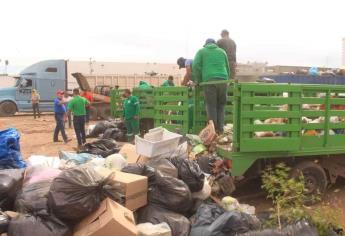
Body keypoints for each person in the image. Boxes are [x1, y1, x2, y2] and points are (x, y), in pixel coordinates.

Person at [193, 38, 230, 133]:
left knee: (211, 106)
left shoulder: (201, 51)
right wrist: (227, 80)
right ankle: (220, 130)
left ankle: (213, 132)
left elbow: (195, 66)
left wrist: (199, 80)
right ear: (215, 44)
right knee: (221, 106)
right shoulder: (222, 51)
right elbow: (227, 67)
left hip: (209, 81)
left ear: (205, 44)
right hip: (223, 80)